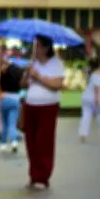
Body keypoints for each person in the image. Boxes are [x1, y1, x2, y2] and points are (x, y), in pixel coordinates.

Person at [22, 35, 65, 189]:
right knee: (31, 142)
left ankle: (43, 176)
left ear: (46, 48)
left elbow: (57, 84)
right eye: (34, 46)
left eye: (38, 46)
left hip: (48, 106)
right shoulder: (32, 64)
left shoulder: (56, 64)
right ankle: (33, 175)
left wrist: (38, 76)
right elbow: (23, 85)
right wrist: (27, 73)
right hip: (30, 105)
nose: (35, 49)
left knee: (44, 142)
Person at [79, 57, 100, 143]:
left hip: (86, 97)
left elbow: (83, 71)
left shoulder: (91, 72)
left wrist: (89, 68)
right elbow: (96, 86)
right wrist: (97, 98)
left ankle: (83, 135)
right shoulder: (98, 74)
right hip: (95, 97)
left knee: (86, 116)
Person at [0, 55, 25, 153]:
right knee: (12, 123)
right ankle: (14, 141)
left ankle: (3, 143)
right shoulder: (18, 72)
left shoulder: (3, 72)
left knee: (4, 123)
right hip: (15, 99)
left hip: (4, 98)